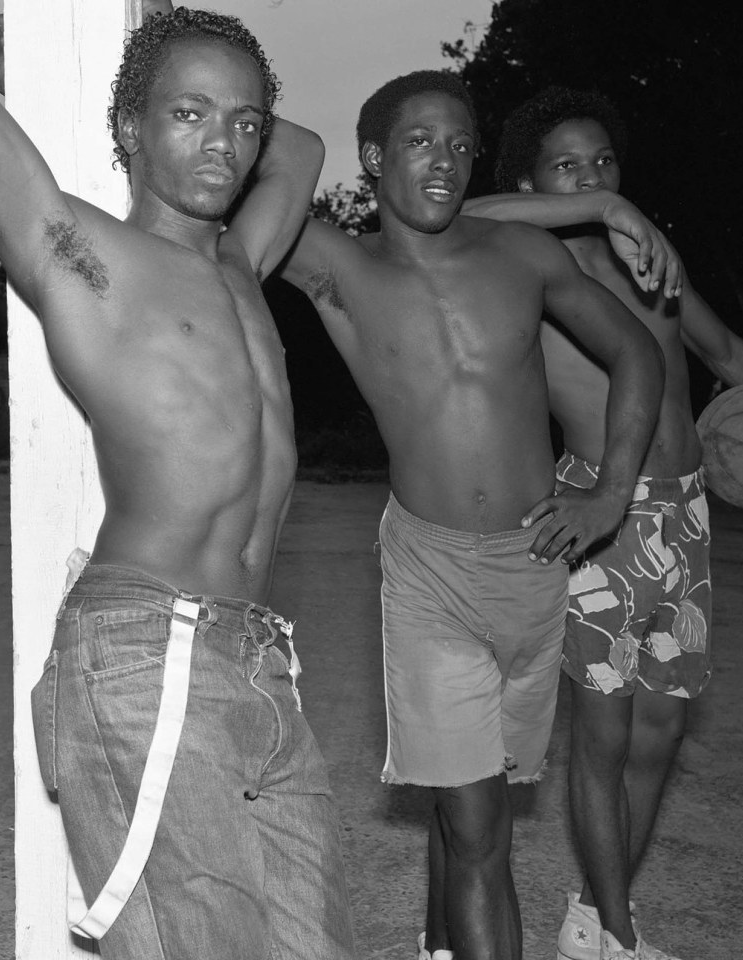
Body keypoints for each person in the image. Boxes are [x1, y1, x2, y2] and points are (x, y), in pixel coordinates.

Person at [0, 5, 357, 959]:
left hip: (256, 655)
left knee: (317, 942)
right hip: (148, 646)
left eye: (240, 123)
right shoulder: (83, 256)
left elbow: (303, 145)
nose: (224, 144)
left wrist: (192, 68)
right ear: (128, 130)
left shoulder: (242, 263)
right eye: (187, 114)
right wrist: (68, 52)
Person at [275, 71, 665, 960]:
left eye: (459, 143)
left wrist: (611, 489)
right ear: (372, 159)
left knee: (472, 801)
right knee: (482, 828)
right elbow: (252, 167)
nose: (445, 160)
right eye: (419, 142)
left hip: (534, 568)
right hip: (430, 572)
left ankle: (437, 946)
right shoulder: (338, 263)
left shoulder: (521, 258)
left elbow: (635, 348)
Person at [467, 86, 743, 960]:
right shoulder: (529, 264)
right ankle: (624, 940)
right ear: (535, 182)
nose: (593, 177)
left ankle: (596, 918)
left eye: (603, 162)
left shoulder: (650, 262)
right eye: (567, 166)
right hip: (602, 514)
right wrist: (594, 205)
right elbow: (460, 210)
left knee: (662, 729)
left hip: (688, 514)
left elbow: (722, 354)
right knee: (602, 734)